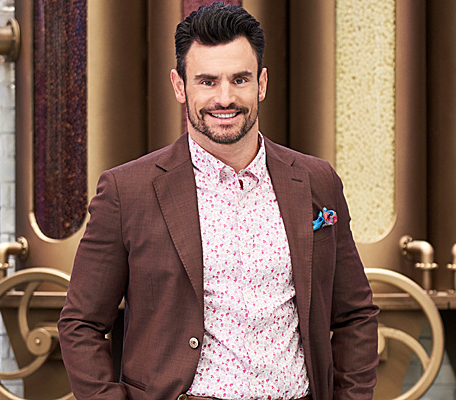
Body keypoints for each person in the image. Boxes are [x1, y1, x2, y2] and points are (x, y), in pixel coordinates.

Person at [58, 2, 379, 399]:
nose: (224, 98)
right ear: (180, 86)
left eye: (239, 79)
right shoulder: (128, 191)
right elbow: (81, 324)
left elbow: (354, 315)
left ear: (261, 83)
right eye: (207, 81)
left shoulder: (316, 181)